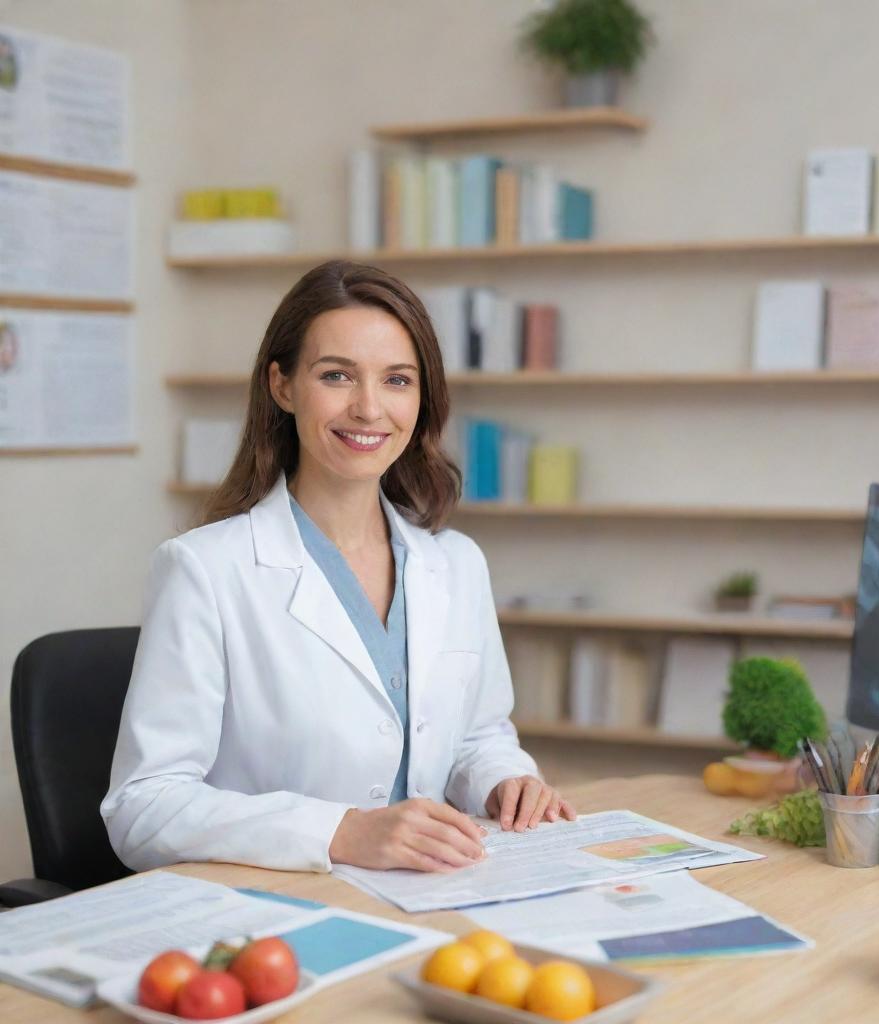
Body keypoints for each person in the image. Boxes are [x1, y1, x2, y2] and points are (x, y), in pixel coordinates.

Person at [102, 260, 575, 875]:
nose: (369, 408)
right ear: (283, 386)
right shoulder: (205, 569)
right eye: (337, 376)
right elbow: (143, 808)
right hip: (277, 911)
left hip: (432, 894)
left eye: (397, 380)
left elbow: (478, 736)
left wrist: (505, 780)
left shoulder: (455, 563)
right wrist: (340, 833)